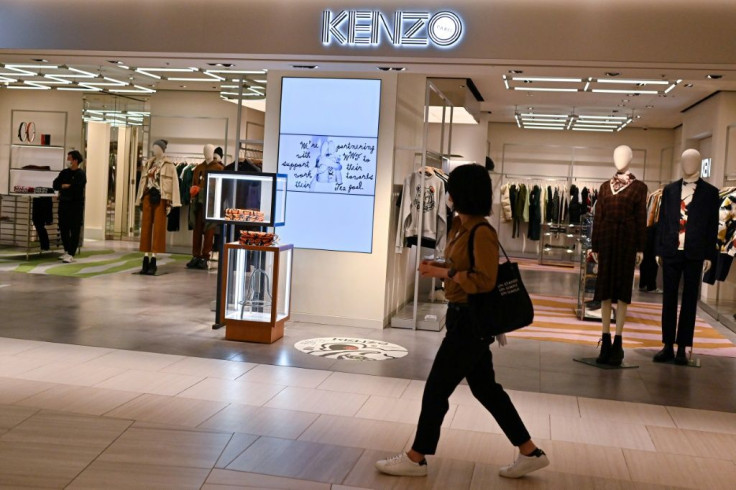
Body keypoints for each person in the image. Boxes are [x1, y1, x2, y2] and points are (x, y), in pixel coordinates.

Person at [375, 164, 549, 479]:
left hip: (469, 321)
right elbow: (459, 263)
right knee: (486, 390)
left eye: (452, 190)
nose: (449, 196)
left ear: (462, 194)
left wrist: (444, 272)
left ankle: (416, 458)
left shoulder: (482, 231)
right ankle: (529, 451)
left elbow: (484, 280)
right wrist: (440, 263)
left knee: (436, 390)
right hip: (462, 318)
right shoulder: (461, 226)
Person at [654, 149, 720, 364]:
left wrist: (710, 254)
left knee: (690, 300)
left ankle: (683, 347)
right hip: (672, 251)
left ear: (700, 163)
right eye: (684, 160)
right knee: (669, 299)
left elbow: (712, 225)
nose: (688, 164)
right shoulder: (670, 190)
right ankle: (667, 345)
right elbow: (662, 221)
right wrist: (659, 249)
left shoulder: (710, 193)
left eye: (693, 160)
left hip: (695, 252)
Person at [591, 145, 647, 366]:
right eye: (615, 155)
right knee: (604, 290)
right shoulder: (605, 187)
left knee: (622, 291)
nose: (619, 159)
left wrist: (641, 248)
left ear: (632, 158)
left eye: (623, 155)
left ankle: (618, 341)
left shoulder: (639, 188)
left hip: (627, 241)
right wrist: (594, 246)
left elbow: (641, 217)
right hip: (606, 240)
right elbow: (598, 216)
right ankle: (605, 339)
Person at [135, 139, 182, 275]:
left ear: (162, 149)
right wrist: (139, 199)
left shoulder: (169, 165)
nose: (154, 150)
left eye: (157, 147)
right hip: (148, 196)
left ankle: (154, 260)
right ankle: (145, 258)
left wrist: (173, 202)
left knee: (158, 229)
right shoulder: (149, 163)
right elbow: (142, 182)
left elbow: (175, 185)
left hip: (161, 198)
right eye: (153, 147)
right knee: (146, 228)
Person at [187, 144, 224, 270]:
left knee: (209, 231)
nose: (206, 152)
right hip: (198, 204)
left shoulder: (219, 168)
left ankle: (205, 256)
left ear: (213, 152)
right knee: (197, 230)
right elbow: (194, 184)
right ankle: (195, 255)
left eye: (209, 150)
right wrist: (192, 193)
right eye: (204, 150)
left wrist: (201, 190)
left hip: (211, 205)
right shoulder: (198, 168)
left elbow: (220, 189)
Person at [52, 150, 87, 263]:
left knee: (75, 229)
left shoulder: (80, 174)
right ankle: (66, 250)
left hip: (75, 205)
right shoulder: (64, 172)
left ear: (75, 160)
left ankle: (71, 253)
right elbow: (55, 184)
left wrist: (67, 187)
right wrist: (64, 186)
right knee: (63, 228)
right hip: (63, 204)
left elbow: (76, 188)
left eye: (69, 159)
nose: (68, 161)